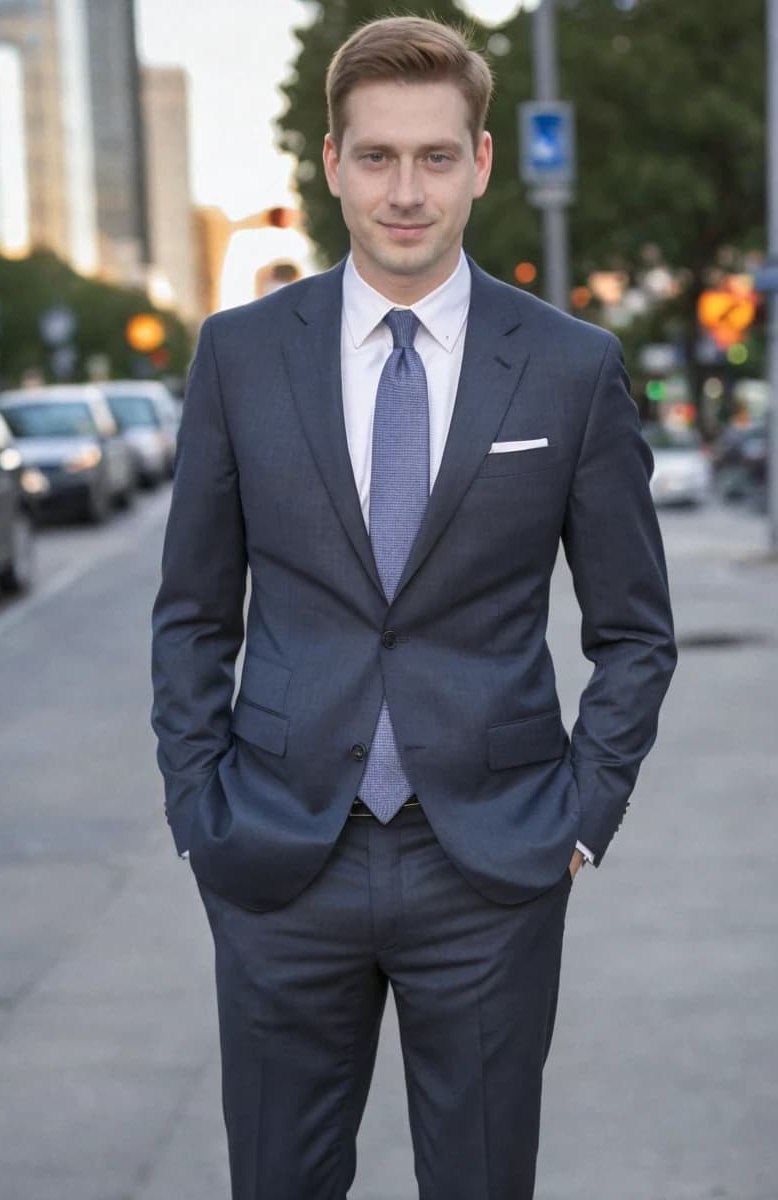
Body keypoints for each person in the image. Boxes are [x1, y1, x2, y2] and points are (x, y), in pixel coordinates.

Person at [151, 15, 676, 1200]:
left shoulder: (567, 367)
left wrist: (580, 817)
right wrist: (200, 811)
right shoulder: (238, 355)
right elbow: (191, 611)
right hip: (280, 857)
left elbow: (634, 631)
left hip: (490, 864)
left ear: (482, 163)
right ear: (330, 163)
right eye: (376, 157)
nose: (405, 190)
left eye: (434, 156)